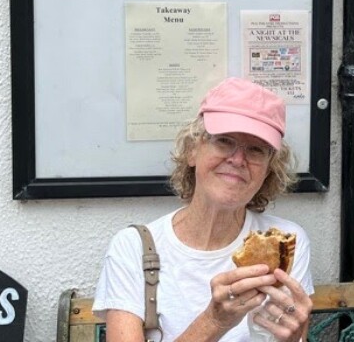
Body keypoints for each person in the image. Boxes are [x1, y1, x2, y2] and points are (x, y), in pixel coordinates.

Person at [93, 77, 314, 342]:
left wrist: (292, 338)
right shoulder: (134, 248)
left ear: (268, 170)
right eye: (223, 141)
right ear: (192, 151)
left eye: (256, 149)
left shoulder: (285, 244)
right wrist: (214, 321)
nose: (238, 159)